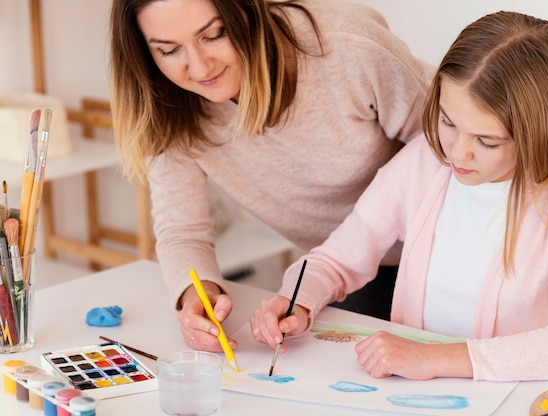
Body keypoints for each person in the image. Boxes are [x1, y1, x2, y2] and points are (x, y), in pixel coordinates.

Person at [250, 11, 548, 382]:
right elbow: (336, 259)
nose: (456, 154)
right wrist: (297, 299)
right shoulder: (423, 163)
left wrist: (437, 359)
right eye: (448, 122)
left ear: (536, 134)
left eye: (486, 141)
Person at [108, 0, 435, 352]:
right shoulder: (170, 105)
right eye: (169, 50)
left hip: (445, 247)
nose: (201, 67)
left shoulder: (347, 46)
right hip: (339, 268)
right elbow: (182, 231)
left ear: (248, 11)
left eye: (215, 34)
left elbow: (446, 149)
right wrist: (197, 296)